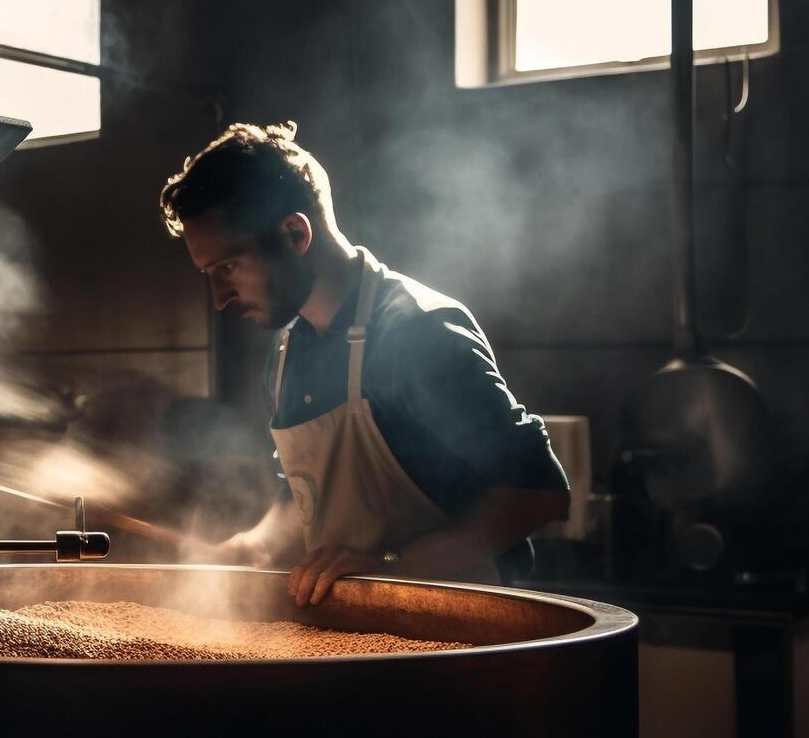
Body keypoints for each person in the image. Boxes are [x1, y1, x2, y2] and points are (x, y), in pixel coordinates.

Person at [158, 121, 568, 605]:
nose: (220, 298)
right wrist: (257, 546)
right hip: (355, 641)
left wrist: (392, 568)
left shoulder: (418, 332)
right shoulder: (288, 350)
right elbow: (303, 495)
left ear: (294, 233)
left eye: (227, 267)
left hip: (459, 644)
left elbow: (539, 494)